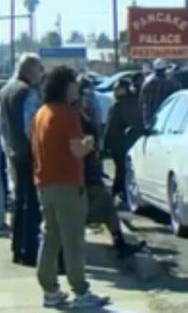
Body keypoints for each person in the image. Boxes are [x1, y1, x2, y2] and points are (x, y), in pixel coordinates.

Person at [31, 66, 110, 309]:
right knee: (73, 239)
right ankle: (81, 291)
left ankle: (50, 288)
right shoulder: (67, 114)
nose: (78, 88)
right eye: (74, 84)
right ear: (65, 87)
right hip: (67, 184)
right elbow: (77, 149)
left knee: (51, 236)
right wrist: (90, 142)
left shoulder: (41, 113)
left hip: (44, 183)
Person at [79, 92, 143, 259]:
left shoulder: (80, 117)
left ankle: (120, 244)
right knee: (104, 210)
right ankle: (120, 246)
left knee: (105, 211)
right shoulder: (76, 119)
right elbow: (81, 147)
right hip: (84, 175)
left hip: (86, 174)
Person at [0, 53, 45, 266]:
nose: (41, 74)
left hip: (12, 151)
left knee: (18, 202)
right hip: (28, 153)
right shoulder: (27, 92)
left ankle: (18, 248)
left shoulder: (5, 91)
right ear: (30, 70)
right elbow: (32, 127)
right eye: (39, 70)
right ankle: (29, 250)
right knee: (32, 204)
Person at [102, 78, 140, 207]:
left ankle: (116, 196)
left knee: (121, 172)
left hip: (120, 145)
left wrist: (105, 146)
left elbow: (110, 128)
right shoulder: (136, 102)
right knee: (124, 171)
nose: (115, 91)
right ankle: (121, 194)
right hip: (133, 143)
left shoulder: (118, 107)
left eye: (118, 89)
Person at [138, 59, 179, 131]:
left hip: (149, 118)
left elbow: (141, 102)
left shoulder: (147, 83)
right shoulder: (170, 83)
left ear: (154, 70)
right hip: (165, 118)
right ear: (164, 70)